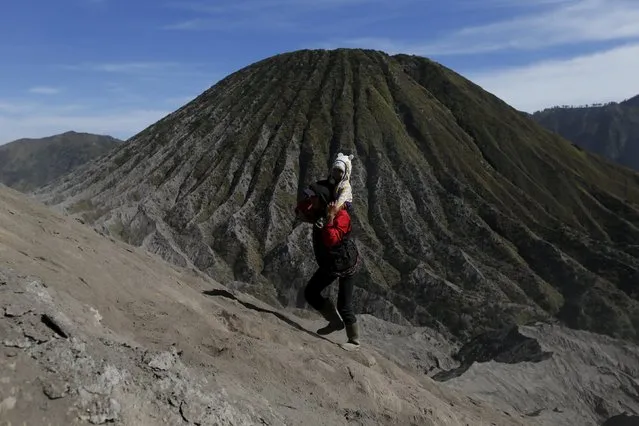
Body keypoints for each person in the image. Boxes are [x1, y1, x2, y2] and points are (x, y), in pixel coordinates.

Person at [294, 180, 361, 346]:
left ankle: (354, 341)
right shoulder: (319, 210)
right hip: (330, 264)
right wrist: (310, 200)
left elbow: (331, 240)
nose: (311, 200)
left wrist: (330, 217)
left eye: (313, 198)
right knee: (311, 293)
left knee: (344, 305)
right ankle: (334, 322)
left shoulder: (341, 216)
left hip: (345, 264)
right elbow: (299, 211)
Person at [326, 153, 354, 224]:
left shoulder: (346, 186)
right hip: (335, 201)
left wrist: (331, 213)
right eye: (335, 170)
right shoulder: (334, 181)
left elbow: (341, 201)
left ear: (345, 172)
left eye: (340, 171)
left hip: (342, 204)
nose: (336, 173)